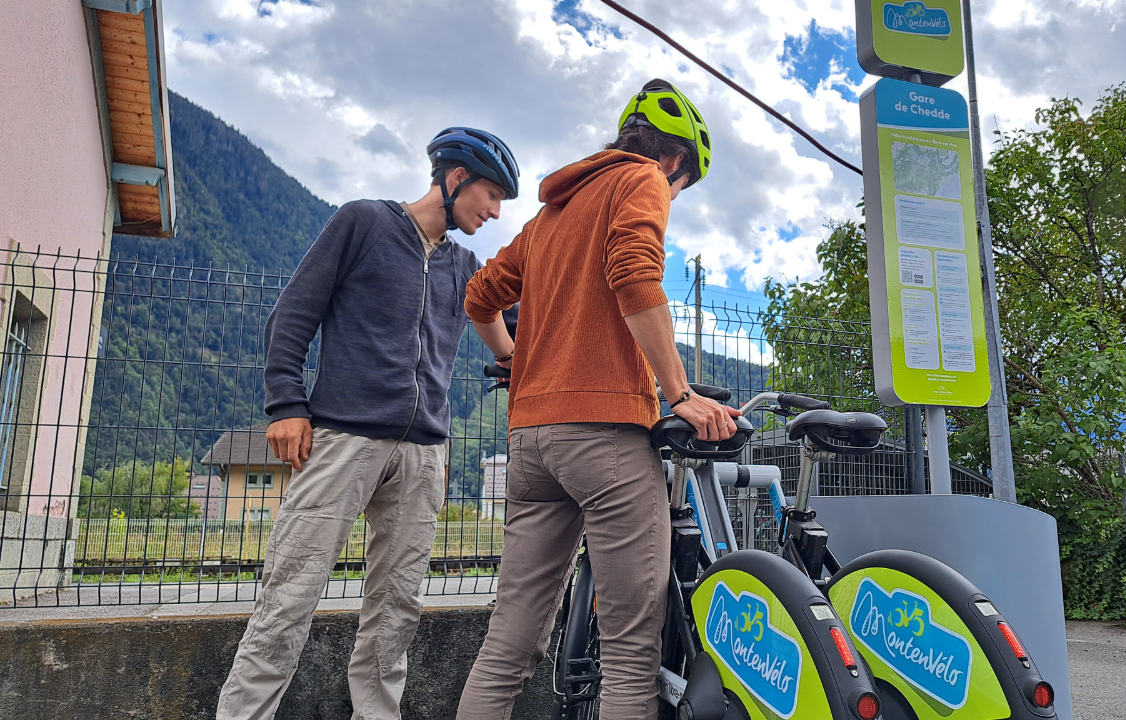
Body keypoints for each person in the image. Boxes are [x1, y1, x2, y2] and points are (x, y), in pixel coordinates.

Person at [456, 79, 738, 719]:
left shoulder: (549, 217)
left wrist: (515, 361)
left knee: (508, 644)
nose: (673, 195)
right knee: (630, 654)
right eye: (682, 186)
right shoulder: (641, 178)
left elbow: (479, 296)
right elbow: (635, 273)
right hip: (605, 438)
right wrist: (679, 393)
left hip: (531, 442)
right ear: (675, 160)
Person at [216, 128, 520, 720]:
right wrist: (286, 405)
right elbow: (292, 315)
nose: (495, 211)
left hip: (425, 452)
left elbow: (519, 327)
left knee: (396, 609)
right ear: (456, 178)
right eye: (491, 195)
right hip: (343, 437)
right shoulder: (364, 223)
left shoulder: (465, 266)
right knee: (290, 594)